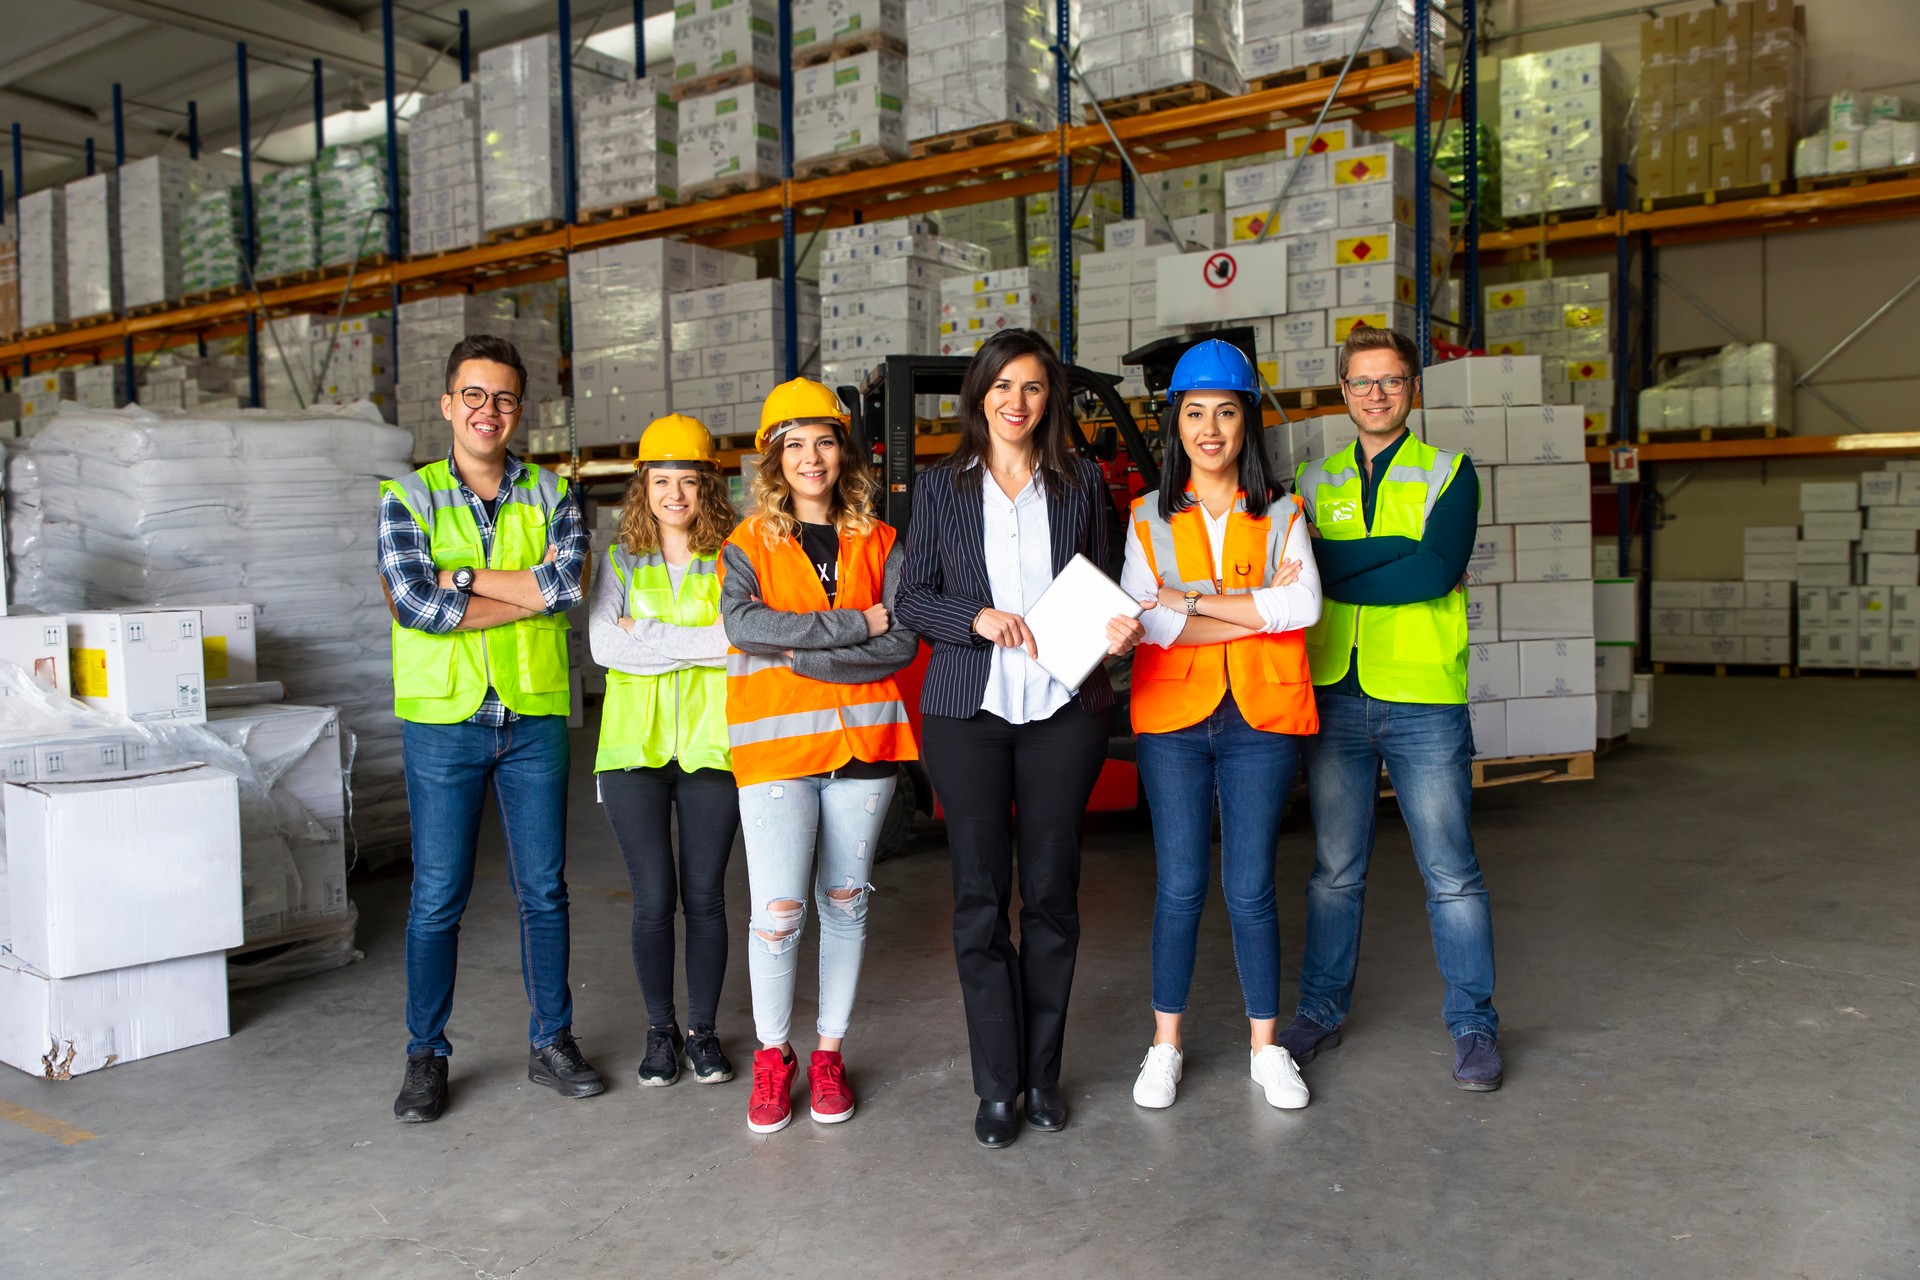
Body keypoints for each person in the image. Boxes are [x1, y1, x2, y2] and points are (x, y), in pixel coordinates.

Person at [897, 328, 1145, 1150]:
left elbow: (1109, 588)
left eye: (1033, 388)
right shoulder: (940, 490)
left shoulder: (1079, 488)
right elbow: (913, 601)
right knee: (977, 900)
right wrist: (973, 618)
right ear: (978, 396)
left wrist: (1120, 636)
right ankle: (995, 1085)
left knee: (1051, 897)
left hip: (1060, 715)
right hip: (967, 714)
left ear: (1050, 401)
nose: (1015, 402)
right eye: (1001, 386)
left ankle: (1044, 1074)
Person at [377, 333, 602, 1124]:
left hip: (534, 715)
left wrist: (463, 578)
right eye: (473, 395)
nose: (488, 410)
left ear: (520, 409)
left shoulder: (553, 493)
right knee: (438, 895)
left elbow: (567, 585)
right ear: (447, 404)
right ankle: (426, 1054)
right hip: (445, 721)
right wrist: (521, 594)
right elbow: (415, 604)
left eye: (503, 397)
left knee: (544, 890)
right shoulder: (408, 498)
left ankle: (552, 1041)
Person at [1282, 324, 1502, 1092]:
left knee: (1451, 874)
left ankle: (1474, 1024)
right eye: (1362, 382)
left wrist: (1340, 566)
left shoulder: (1451, 473)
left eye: (1392, 381)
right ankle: (1318, 1009)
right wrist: (1388, 551)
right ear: (1343, 393)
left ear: (1414, 389)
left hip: (1421, 698)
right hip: (1336, 696)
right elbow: (1303, 571)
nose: (1377, 394)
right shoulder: (1311, 481)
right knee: (1334, 871)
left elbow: (1434, 572)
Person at [1119, 339, 1322, 1113]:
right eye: (1195, 413)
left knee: (1250, 888)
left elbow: (1303, 608)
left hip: (1259, 720)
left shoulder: (1281, 510)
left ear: (1247, 424)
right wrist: (1250, 611)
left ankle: (1266, 1050)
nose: (1210, 428)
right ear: (1176, 425)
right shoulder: (1145, 516)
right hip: (1173, 719)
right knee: (1179, 886)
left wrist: (1191, 601)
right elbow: (1149, 624)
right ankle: (1164, 1046)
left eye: (1226, 412)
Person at [718, 377, 921, 1135]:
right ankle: (775, 1058)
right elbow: (744, 626)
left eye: (824, 441)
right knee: (777, 914)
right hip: (776, 752)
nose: (811, 457)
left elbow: (899, 640)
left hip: (864, 746)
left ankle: (829, 1052)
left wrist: (800, 651)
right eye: (794, 443)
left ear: (845, 451)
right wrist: (849, 627)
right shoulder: (746, 545)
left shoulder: (882, 540)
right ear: (773, 457)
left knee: (846, 903)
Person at [589, 414, 740, 1089]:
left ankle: (703, 1033)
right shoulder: (619, 557)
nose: (674, 493)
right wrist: (694, 640)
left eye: (687, 480)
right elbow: (602, 647)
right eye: (660, 480)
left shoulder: (735, 555)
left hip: (714, 744)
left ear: (707, 486)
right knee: (653, 898)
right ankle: (661, 1033)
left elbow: (738, 642)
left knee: (705, 897)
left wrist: (644, 631)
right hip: (631, 750)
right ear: (641, 486)